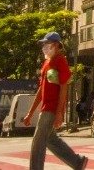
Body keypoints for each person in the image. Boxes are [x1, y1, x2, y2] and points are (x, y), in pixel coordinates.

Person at [20, 32, 87, 170]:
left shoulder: (60, 61)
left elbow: (63, 87)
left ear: (56, 45)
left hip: (52, 108)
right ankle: (77, 162)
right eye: (43, 44)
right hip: (46, 108)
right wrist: (30, 113)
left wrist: (59, 112)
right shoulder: (47, 63)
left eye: (47, 43)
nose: (44, 46)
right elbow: (41, 90)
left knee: (38, 141)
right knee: (51, 140)